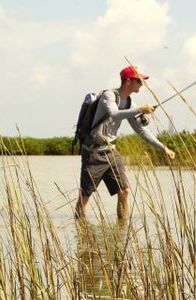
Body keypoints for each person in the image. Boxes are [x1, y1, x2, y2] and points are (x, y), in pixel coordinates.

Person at [75, 65, 175, 221]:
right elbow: (114, 114)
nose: (142, 84)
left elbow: (141, 131)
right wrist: (140, 109)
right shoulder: (109, 96)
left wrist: (164, 148)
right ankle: (79, 227)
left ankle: (122, 229)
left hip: (111, 152)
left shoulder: (130, 103)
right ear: (128, 81)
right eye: (139, 81)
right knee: (85, 195)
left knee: (125, 191)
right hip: (94, 152)